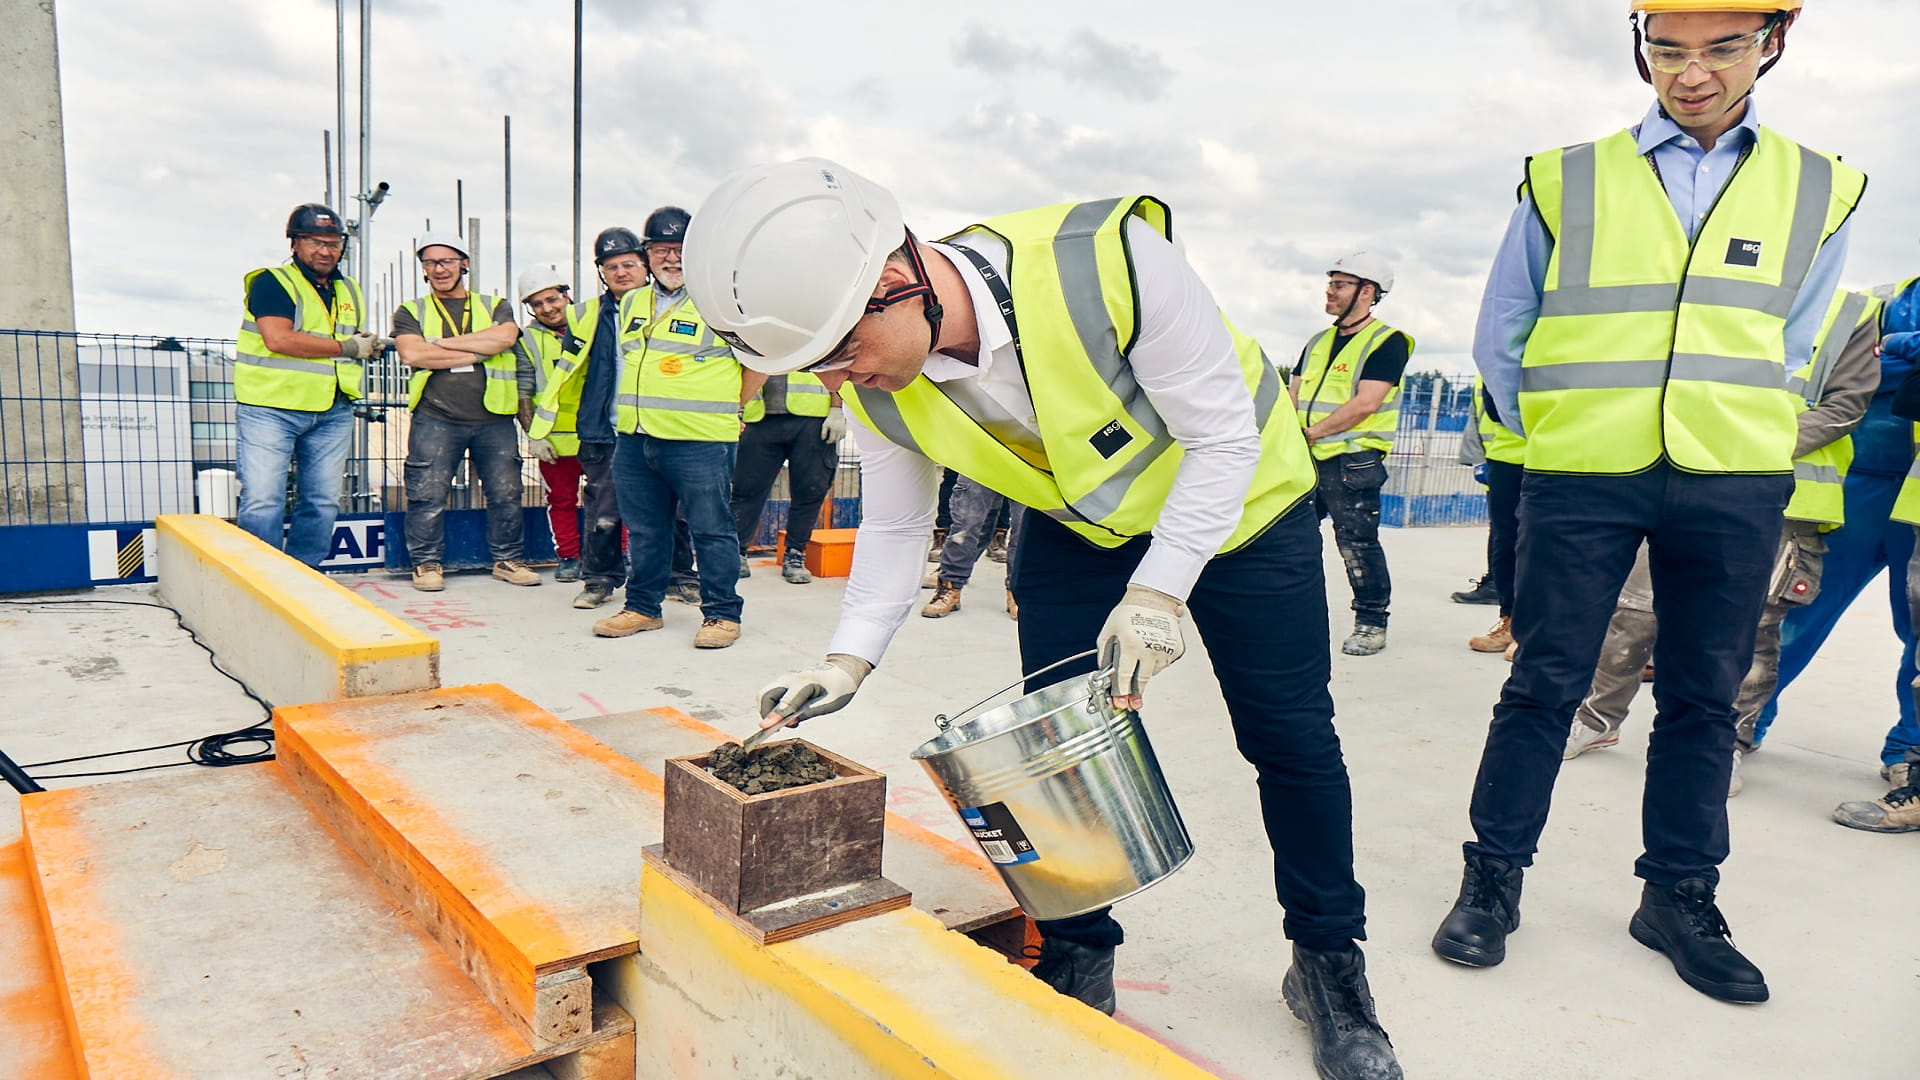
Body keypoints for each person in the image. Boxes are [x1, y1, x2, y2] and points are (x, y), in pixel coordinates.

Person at [688, 160, 1403, 1080]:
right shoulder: (877, 382)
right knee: (1043, 751)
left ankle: (1328, 964)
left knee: (1291, 741)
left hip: (1244, 512)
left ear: (895, 278)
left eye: (835, 352)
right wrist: (847, 660)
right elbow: (900, 525)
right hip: (1079, 531)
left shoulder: (1110, 263)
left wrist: (1158, 594)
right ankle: (1078, 949)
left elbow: (1223, 440)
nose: (835, 380)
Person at [1435, 0, 1862, 1006]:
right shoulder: (1565, 176)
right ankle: (1492, 882)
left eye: (1721, 48)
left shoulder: (1823, 186)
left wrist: (1742, 433)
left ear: (1772, 44)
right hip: (1586, 467)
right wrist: (1552, 437)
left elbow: (1796, 341)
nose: (1692, 72)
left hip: (1731, 475)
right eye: (1667, 50)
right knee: (1546, 682)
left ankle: (1677, 894)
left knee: (1703, 697)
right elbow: (1505, 325)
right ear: (1642, 48)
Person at [1562, 289, 1880, 792]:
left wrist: (1756, 446)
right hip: (1690, 474)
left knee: (1754, 627)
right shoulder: (1721, 285)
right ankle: (1598, 720)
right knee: (1636, 609)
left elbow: (1846, 405)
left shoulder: (1852, 312)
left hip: (1785, 496)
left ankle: (1724, 742)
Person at [1756, 274, 1920, 780]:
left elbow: (1882, 368)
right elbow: (1855, 375)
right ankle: (1741, 723)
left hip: (1913, 494)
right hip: (1853, 488)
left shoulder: (1887, 318)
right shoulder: (1882, 299)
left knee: (1918, 632)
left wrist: (1894, 349)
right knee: (1793, 611)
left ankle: (1908, 753)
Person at [593, 205, 754, 650]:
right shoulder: (631, 302)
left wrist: (728, 406)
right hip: (636, 438)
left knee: (711, 529)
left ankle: (722, 613)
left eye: (681, 249)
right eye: (661, 249)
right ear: (647, 256)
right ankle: (643, 608)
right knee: (645, 530)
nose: (672, 258)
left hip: (700, 439)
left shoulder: (722, 299)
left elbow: (758, 363)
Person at [234, 203, 385, 565]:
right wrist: (348, 346)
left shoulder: (349, 289)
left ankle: (305, 576)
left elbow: (342, 339)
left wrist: (364, 346)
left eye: (333, 243)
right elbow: (278, 339)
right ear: (295, 244)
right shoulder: (273, 282)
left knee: (322, 501)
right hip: (271, 407)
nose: (325, 250)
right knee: (263, 499)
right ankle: (260, 581)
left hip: (332, 408)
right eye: (315, 241)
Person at [392, 232, 540, 591]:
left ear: (464, 264)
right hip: (437, 415)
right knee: (427, 493)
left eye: (446, 261)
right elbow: (412, 354)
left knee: (506, 492)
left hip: (493, 417)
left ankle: (508, 559)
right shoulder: (412, 310)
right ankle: (426, 563)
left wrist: (440, 344)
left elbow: (505, 337)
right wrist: (477, 351)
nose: (439, 269)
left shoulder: (495, 304)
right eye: (430, 263)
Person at [1291, 254, 1413, 656]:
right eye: (1330, 283)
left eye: (1340, 284)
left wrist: (1309, 433)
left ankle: (1371, 622)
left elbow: (1367, 403)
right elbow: (1292, 396)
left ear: (1367, 292)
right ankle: (1291, 613)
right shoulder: (1316, 342)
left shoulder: (1387, 342)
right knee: (1290, 540)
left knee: (1357, 544)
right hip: (1306, 458)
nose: (1329, 291)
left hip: (1352, 461)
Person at [529, 228, 644, 610]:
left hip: (656, 425)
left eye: (629, 264)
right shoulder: (586, 314)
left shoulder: (663, 307)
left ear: (644, 265)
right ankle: (599, 580)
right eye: (612, 267)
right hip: (604, 428)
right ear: (601, 273)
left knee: (669, 508)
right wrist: (538, 428)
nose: (621, 272)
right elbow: (567, 372)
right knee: (602, 511)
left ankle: (677, 578)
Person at [731, 367, 845, 584]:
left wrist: (837, 408)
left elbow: (837, 365)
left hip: (813, 417)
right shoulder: (753, 331)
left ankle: (795, 554)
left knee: (810, 489)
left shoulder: (821, 332)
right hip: (759, 416)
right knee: (745, 489)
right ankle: (736, 552)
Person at [514, 263, 586, 582]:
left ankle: (618, 554)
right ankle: (569, 557)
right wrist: (533, 435)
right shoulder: (528, 340)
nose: (547, 308)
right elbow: (524, 390)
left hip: (598, 433)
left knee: (615, 500)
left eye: (552, 299)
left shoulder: (591, 326)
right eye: (537, 303)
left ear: (566, 296)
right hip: (555, 439)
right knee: (560, 500)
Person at [1464, 376, 1527, 653]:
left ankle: (1534, 631)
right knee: (1505, 543)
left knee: (1546, 545)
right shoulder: (1498, 353)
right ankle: (1510, 622)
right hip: (1506, 456)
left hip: (1557, 456)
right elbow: (1487, 409)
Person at [920, 474, 1020, 618]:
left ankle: (1018, 593)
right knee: (967, 522)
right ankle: (950, 586)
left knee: (1023, 527)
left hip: (1029, 460)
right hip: (982, 458)